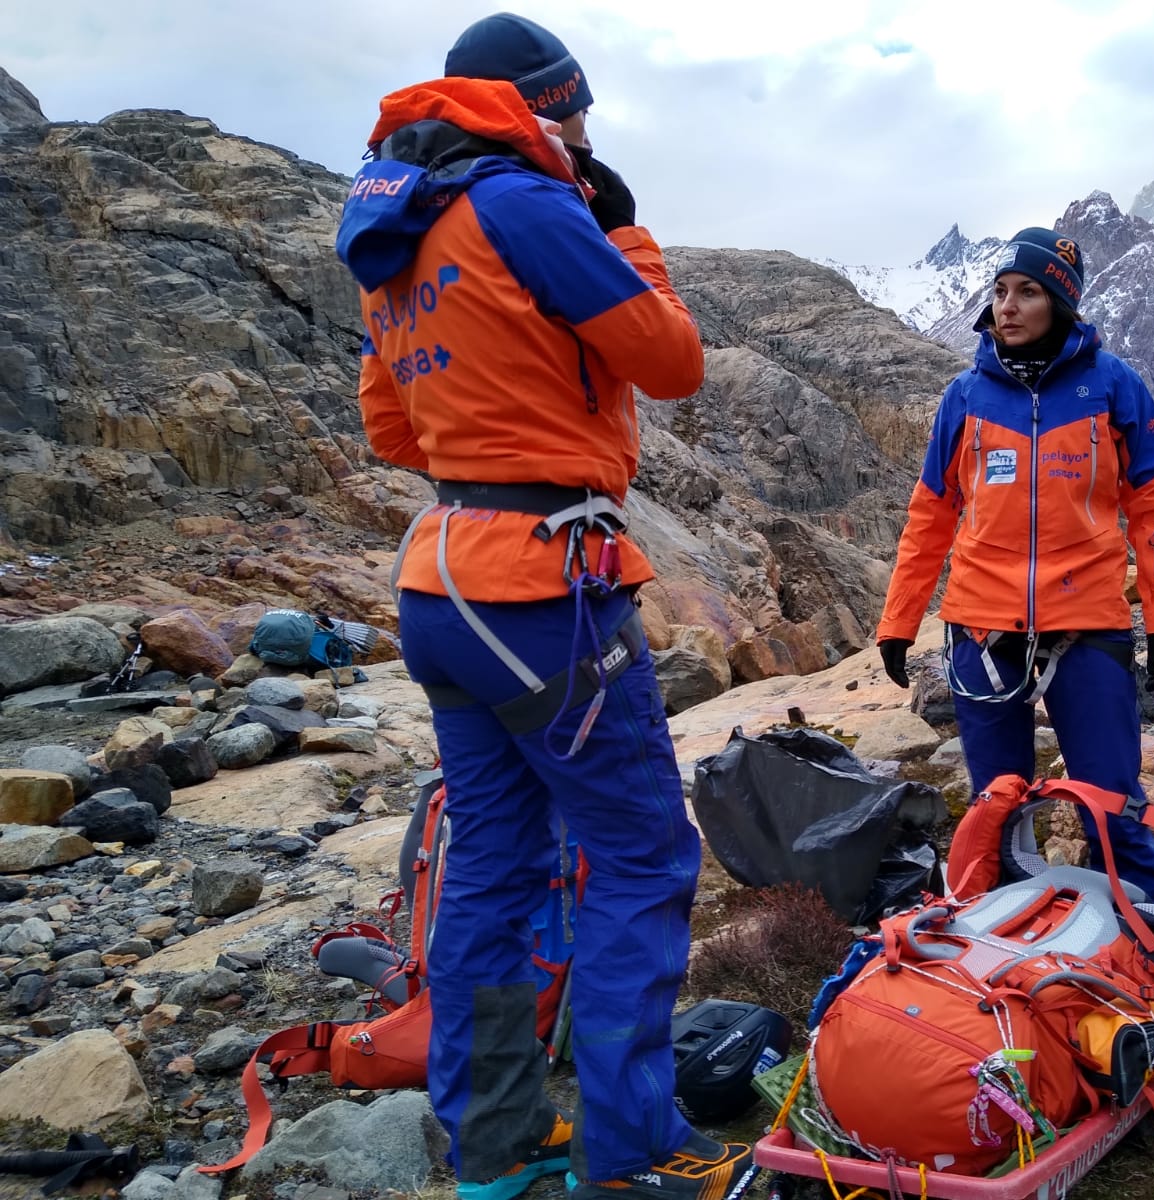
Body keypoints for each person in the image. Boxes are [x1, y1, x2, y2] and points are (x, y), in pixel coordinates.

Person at [335, 14, 756, 1200]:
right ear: (546, 107)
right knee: (640, 855)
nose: (580, 133)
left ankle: (494, 1152)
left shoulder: (398, 228)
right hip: (544, 590)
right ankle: (632, 1153)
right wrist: (623, 231)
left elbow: (386, 430)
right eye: (577, 115)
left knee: (493, 870)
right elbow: (670, 359)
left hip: (442, 580)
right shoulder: (526, 203)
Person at [875, 229, 1154, 904]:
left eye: (1028, 292)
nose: (1006, 307)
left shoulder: (1114, 388)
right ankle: (996, 959)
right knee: (995, 810)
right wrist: (898, 621)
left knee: (1110, 802)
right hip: (982, 630)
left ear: (1062, 305)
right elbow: (931, 514)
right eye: (1000, 292)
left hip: (1088, 623)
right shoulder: (966, 397)